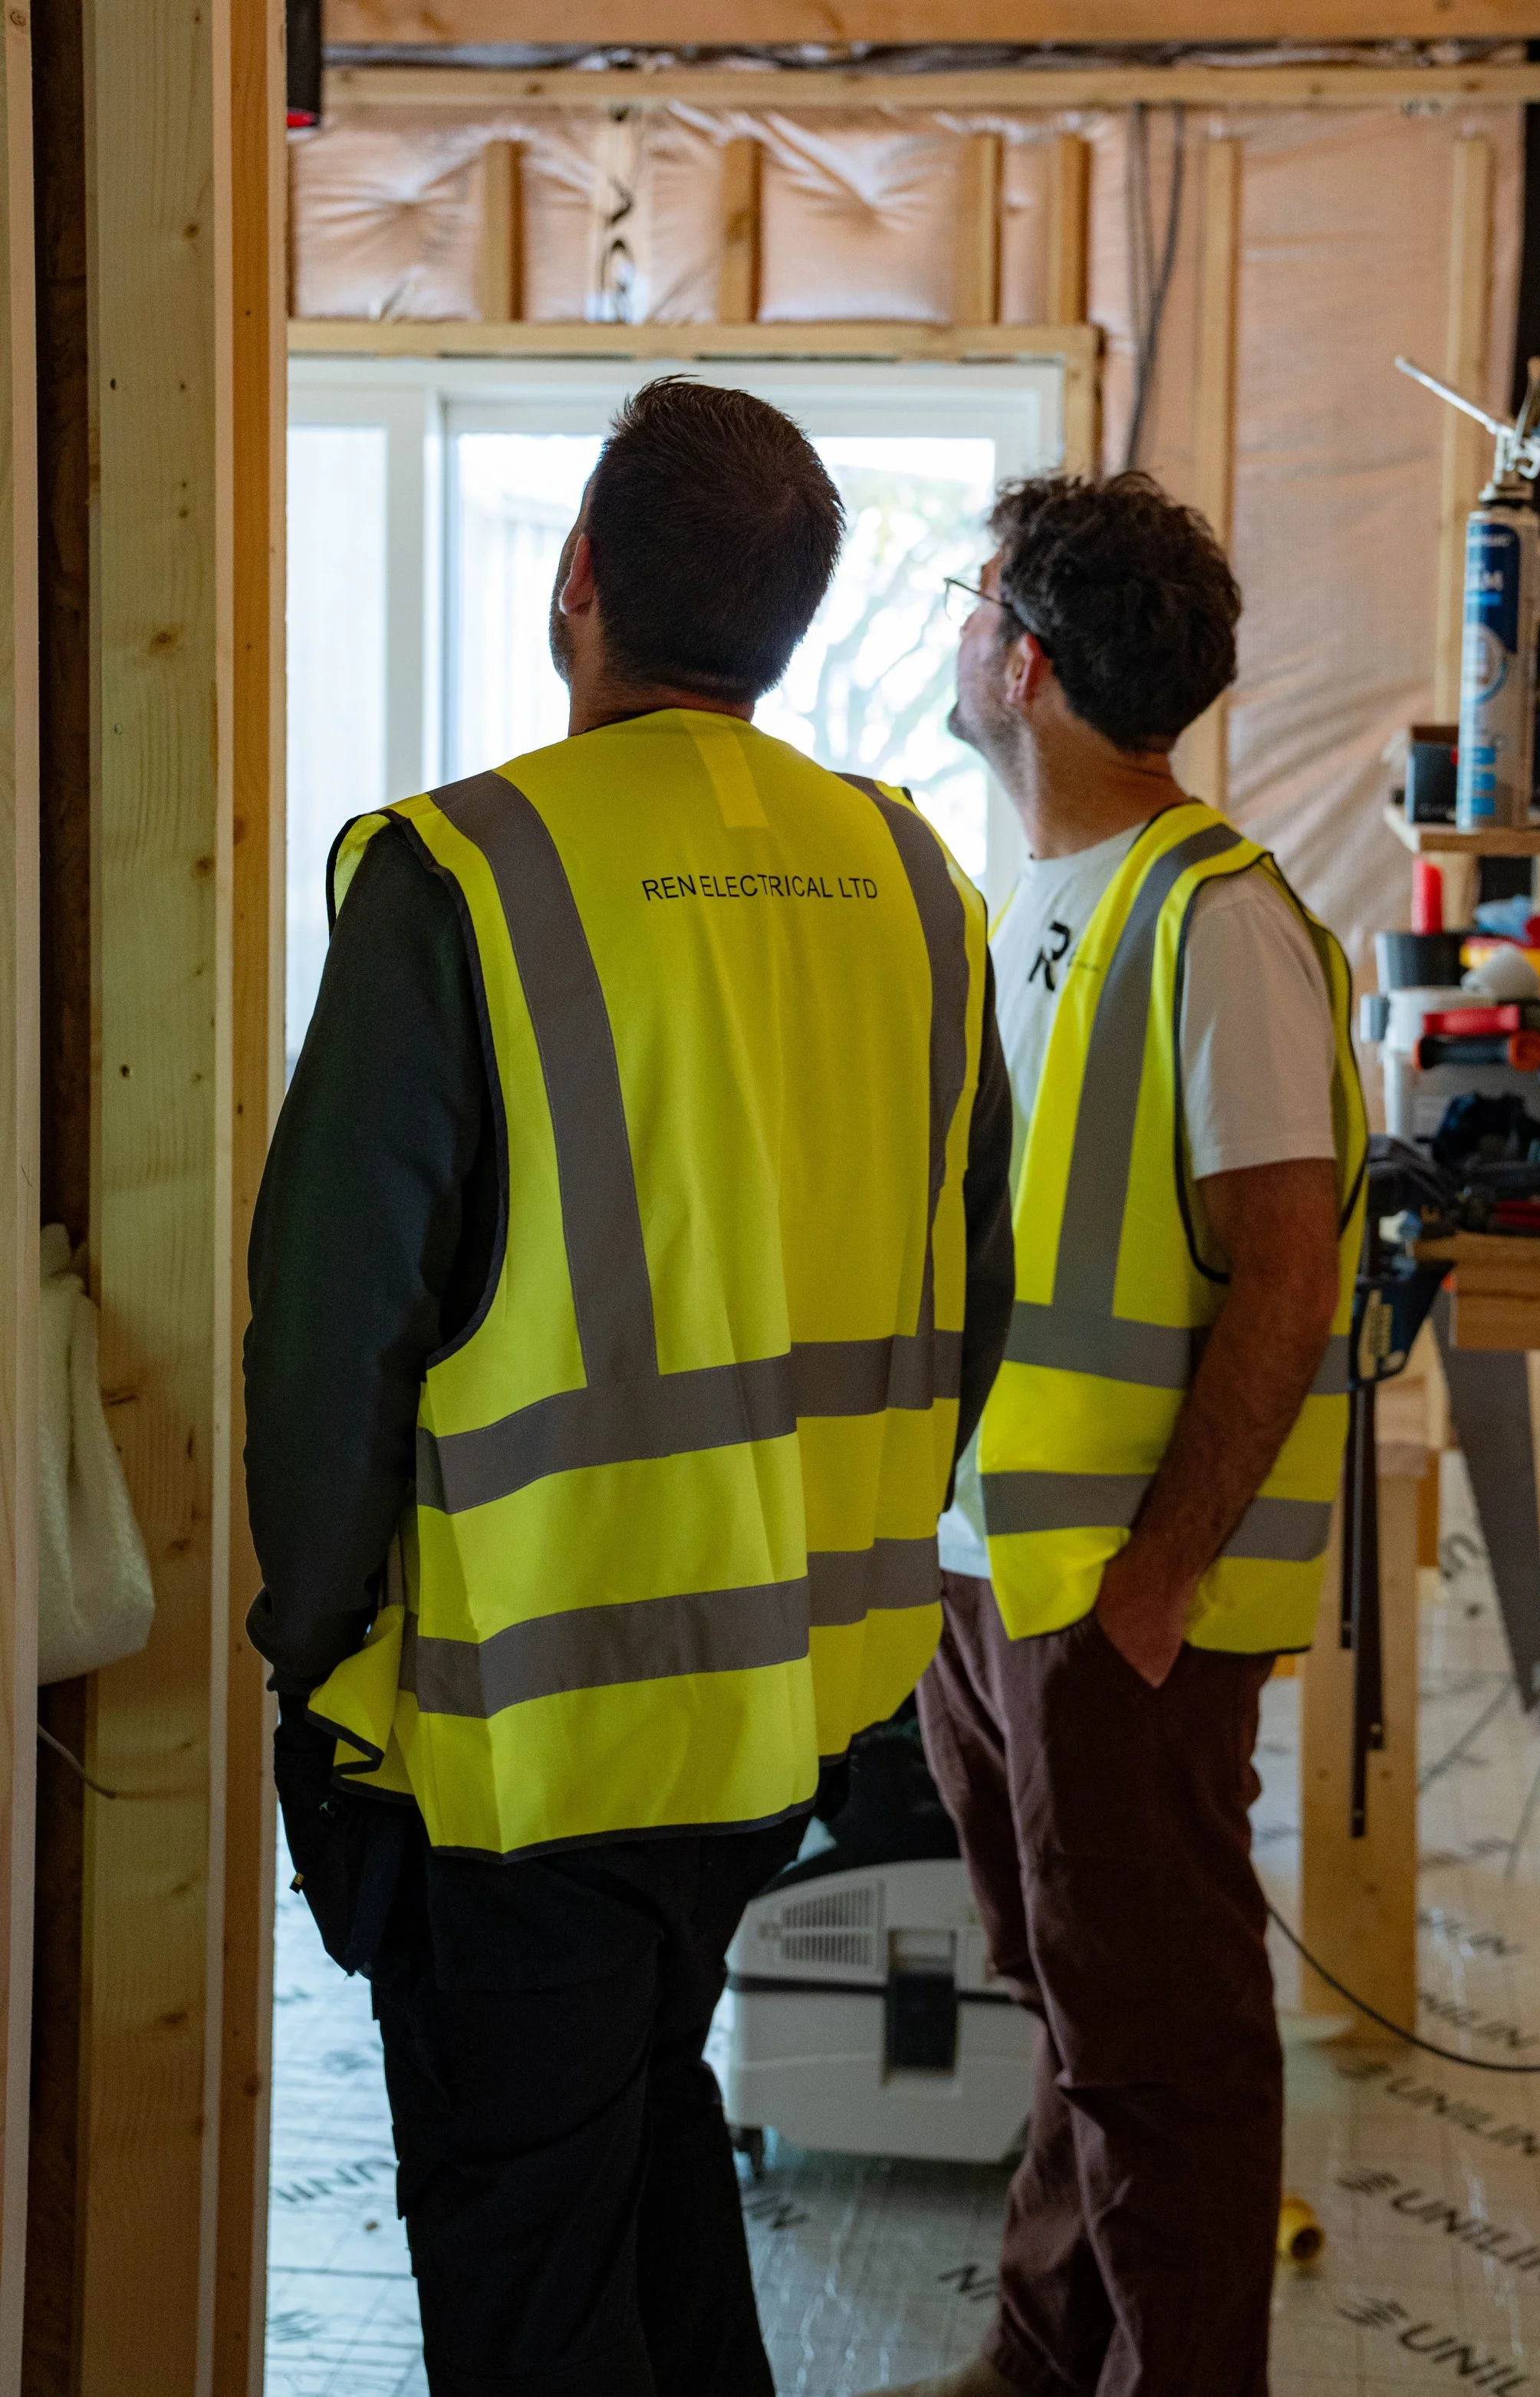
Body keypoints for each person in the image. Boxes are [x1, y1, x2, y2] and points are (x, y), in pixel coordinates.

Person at [245, 377, 1015, 2397]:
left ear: (576, 583)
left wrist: (306, 1664)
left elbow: (329, 1336)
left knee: (527, 2279)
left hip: (518, 1747)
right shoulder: (916, 886)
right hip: (783, 1722)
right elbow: (979, 1301)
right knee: (638, 2161)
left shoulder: (464, 873)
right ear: (780, 623)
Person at [864, 474, 1366, 2397]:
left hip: (1113, 1603)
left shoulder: (1208, 917)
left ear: (1029, 661)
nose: (954, 632)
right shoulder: (1028, 905)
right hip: (994, 1578)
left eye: (968, 598)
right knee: (1073, 2004)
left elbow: (1285, 1274)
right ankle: (1034, 2357)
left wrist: (1157, 1581)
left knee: (1163, 2044)